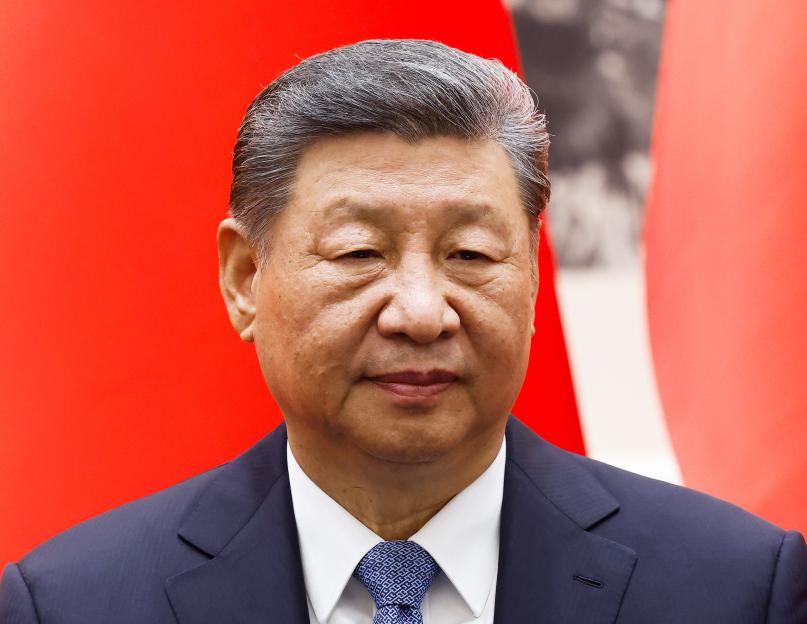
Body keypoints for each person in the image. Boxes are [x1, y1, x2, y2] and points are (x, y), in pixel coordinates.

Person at [1, 39, 805, 624]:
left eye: (470, 252)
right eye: (359, 252)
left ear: (530, 274)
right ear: (246, 279)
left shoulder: (735, 587)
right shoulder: (73, 601)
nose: (422, 312)